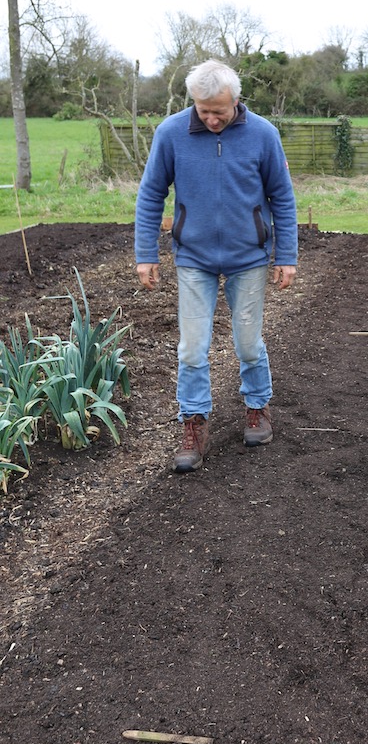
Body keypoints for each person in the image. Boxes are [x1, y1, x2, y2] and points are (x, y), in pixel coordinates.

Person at [134, 58, 298, 473]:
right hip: (194, 257)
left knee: (247, 343)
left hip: (249, 257)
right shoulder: (171, 133)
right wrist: (145, 253)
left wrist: (287, 255)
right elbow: (151, 194)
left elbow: (282, 197)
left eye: (219, 112)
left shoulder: (263, 134)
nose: (210, 119)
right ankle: (194, 423)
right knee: (192, 348)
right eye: (203, 111)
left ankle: (257, 408)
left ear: (236, 101)